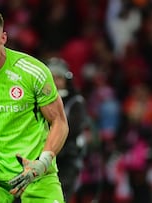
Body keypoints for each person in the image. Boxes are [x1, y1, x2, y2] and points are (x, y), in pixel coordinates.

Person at [0, 9, 69, 203]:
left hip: (37, 175)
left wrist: (42, 163)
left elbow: (59, 122)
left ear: (3, 38)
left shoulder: (33, 71)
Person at [47, 57, 89, 202]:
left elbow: (74, 128)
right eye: (52, 77)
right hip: (43, 155)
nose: (55, 81)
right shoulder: (38, 100)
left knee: (61, 196)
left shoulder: (75, 101)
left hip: (66, 157)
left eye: (58, 78)